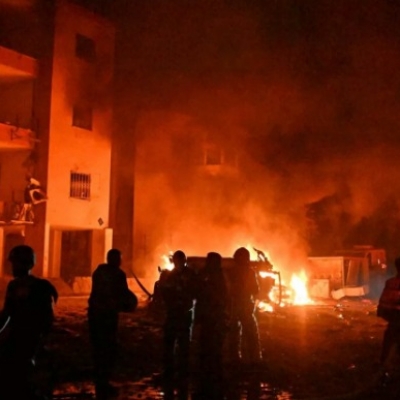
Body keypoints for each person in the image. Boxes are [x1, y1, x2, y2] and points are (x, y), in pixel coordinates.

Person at [0, 245, 58, 400]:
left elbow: (7, 314)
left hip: (27, 339)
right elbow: (7, 314)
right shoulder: (21, 286)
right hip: (23, 338)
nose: (13, 267)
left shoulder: (34, 287)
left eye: (16, 263)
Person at [88, 249, 138, 399]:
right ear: (116, 260)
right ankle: (103, 382)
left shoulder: (98, 272)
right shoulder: (117, 274)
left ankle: (100, 381)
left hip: (95, 314)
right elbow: (122, 294)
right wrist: (131, 303)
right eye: (119, 259)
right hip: (107, 315)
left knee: (98, 347)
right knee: (108, 347)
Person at [158, 250, 197, 400]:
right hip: (174, 313)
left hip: (184, 313)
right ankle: (170, 370)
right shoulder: (169, 275)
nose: (179, 263)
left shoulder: (190, 275)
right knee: (171, 342)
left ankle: (182, 371)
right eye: (177, 261)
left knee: (183, 342)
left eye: (180, 261)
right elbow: (163, 292)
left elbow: (195, 291)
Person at [195, 252, 228, 400]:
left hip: (212, 319)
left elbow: (202, 296)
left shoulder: (211, 277)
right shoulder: (218, 277)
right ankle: (213, 380)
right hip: (213, 319)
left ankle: (208, 381)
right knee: (212, 350)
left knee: (209, 349)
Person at [228, 247, 262, 365]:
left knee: (234, 332)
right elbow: (256, 290)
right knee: (251, 332)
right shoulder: (250, 272)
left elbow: (229, 288)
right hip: (246, 304)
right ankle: (254, 358)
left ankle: (234, 358)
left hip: (235, 304)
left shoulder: (231, 272)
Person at [377, 257, 400, 380]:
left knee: (389, 341)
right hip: (396, 317)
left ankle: (384, 363)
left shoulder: (390, 282)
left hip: (392, 317)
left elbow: (383, 302)